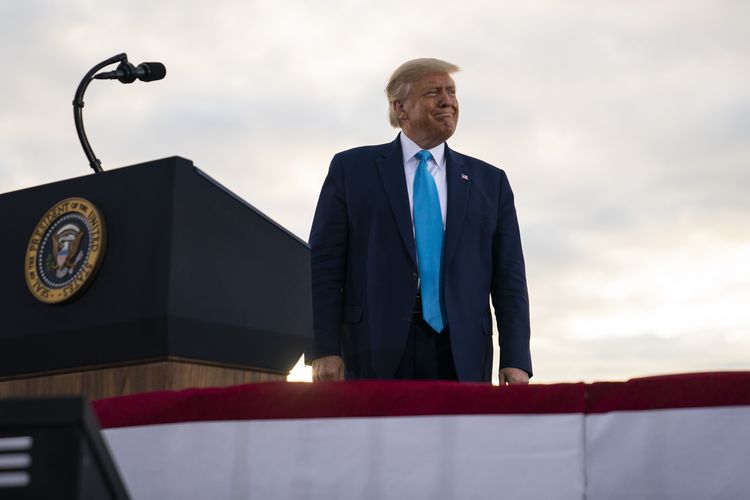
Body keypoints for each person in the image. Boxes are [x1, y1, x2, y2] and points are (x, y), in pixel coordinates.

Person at [307, 58, 531, 384]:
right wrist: (323, 347)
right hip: (373, 347)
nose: (447, 101)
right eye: (433, 93)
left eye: (451, 92)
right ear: (401, 108)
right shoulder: (351, 170)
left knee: (458, 437)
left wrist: (516, 357)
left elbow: (510, 279)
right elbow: (323, 265)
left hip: (463, 352)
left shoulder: (491, 183)